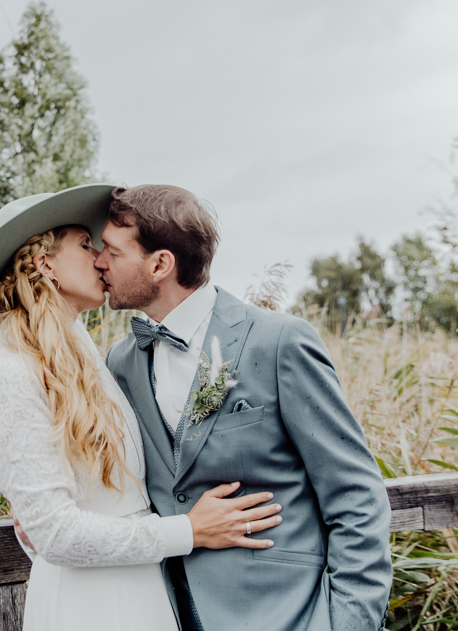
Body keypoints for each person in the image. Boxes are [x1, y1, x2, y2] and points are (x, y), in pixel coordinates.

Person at [0, 184, 282, 631]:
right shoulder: (11, 370)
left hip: (140, 588)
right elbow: (56, 534)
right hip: (90, 605)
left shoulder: (84, 353)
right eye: (85, 245)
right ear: (44, 263)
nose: (100, 258)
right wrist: (189, 530)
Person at [94, 184, 392, 631]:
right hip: (168, 613)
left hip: (287, 614)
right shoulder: (121, 361)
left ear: (160, 264)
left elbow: (356, 496)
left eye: (112, 252)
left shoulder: (279, 342)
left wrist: (347, 623)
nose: (99, 262)